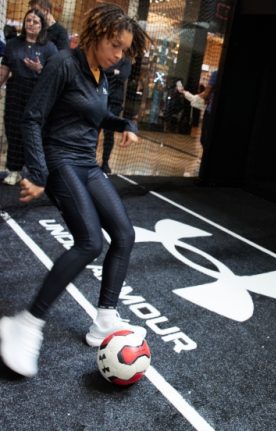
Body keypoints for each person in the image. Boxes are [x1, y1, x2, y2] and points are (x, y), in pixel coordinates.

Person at [0, 3, 150, 378]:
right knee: (89, 242)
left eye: (124, 49)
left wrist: (124, 123)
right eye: (115, 45)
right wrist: (37, 172)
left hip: (86, 162)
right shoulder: (63, 64)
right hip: (60, 160)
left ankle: (104, 319)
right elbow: (32, 118)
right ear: (97, 35)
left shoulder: (102, 74)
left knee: (124, 234)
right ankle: (25, 323)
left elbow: (97, 116)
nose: (119, 55)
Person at [0, 8, 57, 185]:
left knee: (34, 133)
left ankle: (33, 171)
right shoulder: (13, 44)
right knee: (13, 129)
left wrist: (40, 69)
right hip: (15, 92)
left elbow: (56, 75)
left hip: (38, 94)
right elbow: (4, 71)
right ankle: (14, 170)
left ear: (42, 25)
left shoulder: (49, 47)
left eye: (35, 22)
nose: (31, 24)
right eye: (28, 21)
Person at [100, 56, 132, 173]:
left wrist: (111, 72)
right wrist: (114, 72)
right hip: (101, 97)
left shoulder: (126, 61)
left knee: (109, 133)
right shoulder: (109, 58)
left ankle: (105, 162)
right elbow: (103, 70)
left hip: (115, 102)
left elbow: (122, 76)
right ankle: (89, 159)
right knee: (94, 129)